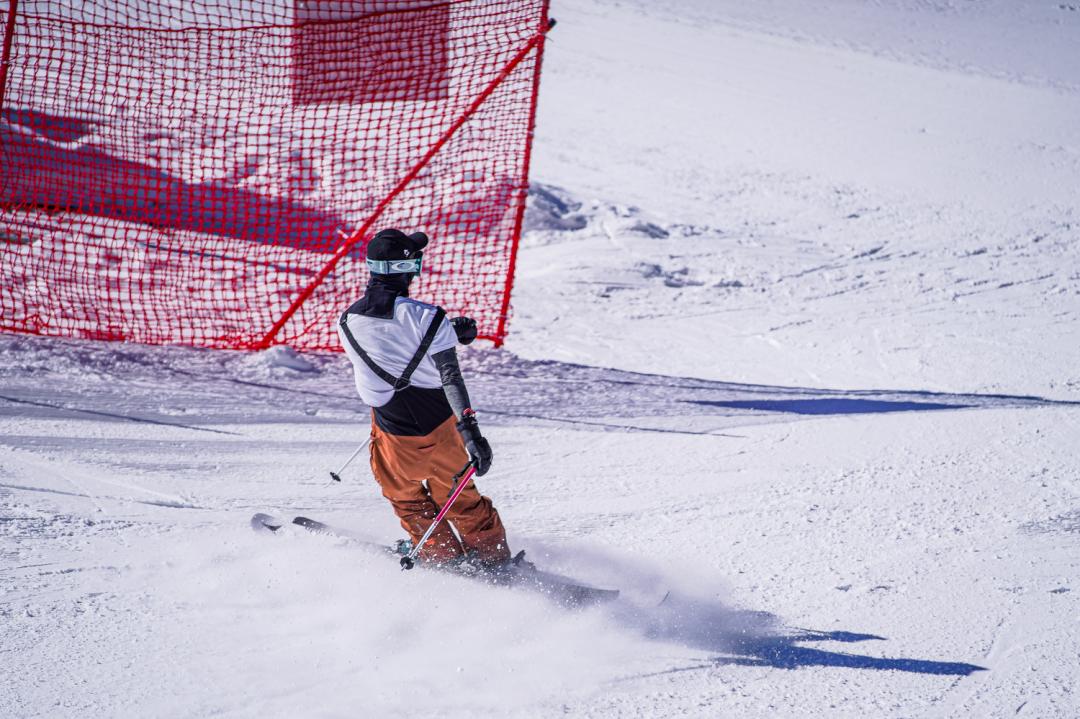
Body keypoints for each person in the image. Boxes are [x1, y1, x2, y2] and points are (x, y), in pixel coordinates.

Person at [337, 228, 511, 568]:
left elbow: (389, 344)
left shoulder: (347, 321)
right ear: (409, 267)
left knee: (407, 500)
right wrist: (472, 434)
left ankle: (440, 555)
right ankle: (494, 561)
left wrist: (448, 332)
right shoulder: (429, 317)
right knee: (463, 502)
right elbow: (449, 376)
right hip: (442, 432)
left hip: (392, 438)